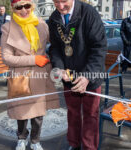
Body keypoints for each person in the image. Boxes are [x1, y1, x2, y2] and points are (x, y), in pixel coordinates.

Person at [48, 0, 107, 150]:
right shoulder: (54, 18)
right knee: (73, 113)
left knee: (91, 115)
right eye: (56, 2)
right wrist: (59, 68)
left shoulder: (89, 13)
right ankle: (74, 144)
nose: (61, 7)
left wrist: (87, 76)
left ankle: (89, 147)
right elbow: (55, 48)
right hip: (69, 77)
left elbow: (99, 48)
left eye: (64, 1)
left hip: (91, 77)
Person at [1, 0, 59, 150]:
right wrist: (34, 59)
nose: (24, 10)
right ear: (14, 9)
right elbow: (6, 58)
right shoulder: (8, 27)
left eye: (27, 6)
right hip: (21, 77)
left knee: (38, 113)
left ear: (32, 6)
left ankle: (35, 140)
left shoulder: (41, 24)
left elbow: (56, 43)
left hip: (40, 75)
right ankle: (21, 138)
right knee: (21, 112)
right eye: (19, 7)